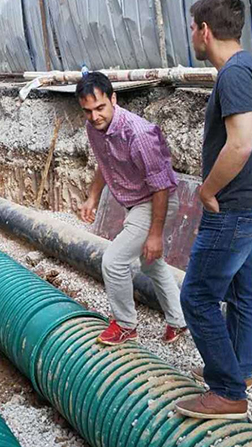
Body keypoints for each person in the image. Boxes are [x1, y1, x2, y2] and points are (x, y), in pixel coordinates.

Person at [174, 0, 252, 420]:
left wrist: (207, 191)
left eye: (191, 28)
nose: (192, 36)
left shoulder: (233, 75)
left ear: (205, 31)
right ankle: (242, 368)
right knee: (240, 292)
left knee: (196, 296)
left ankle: (228, 391)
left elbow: (240, 144)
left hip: (233, 207)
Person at [76, 72, 186, 346]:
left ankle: (125, 325)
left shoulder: (139, 133)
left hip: (155, 200)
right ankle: (180, 320)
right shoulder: (94, 128)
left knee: (114, 262)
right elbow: (105, 162)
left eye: (100, 108)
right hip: (136, 202)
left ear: (113, 98)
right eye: (88, 111)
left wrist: (155, 234)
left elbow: (161, 186)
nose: (95, 116)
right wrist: (92, 197)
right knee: (151, 266)